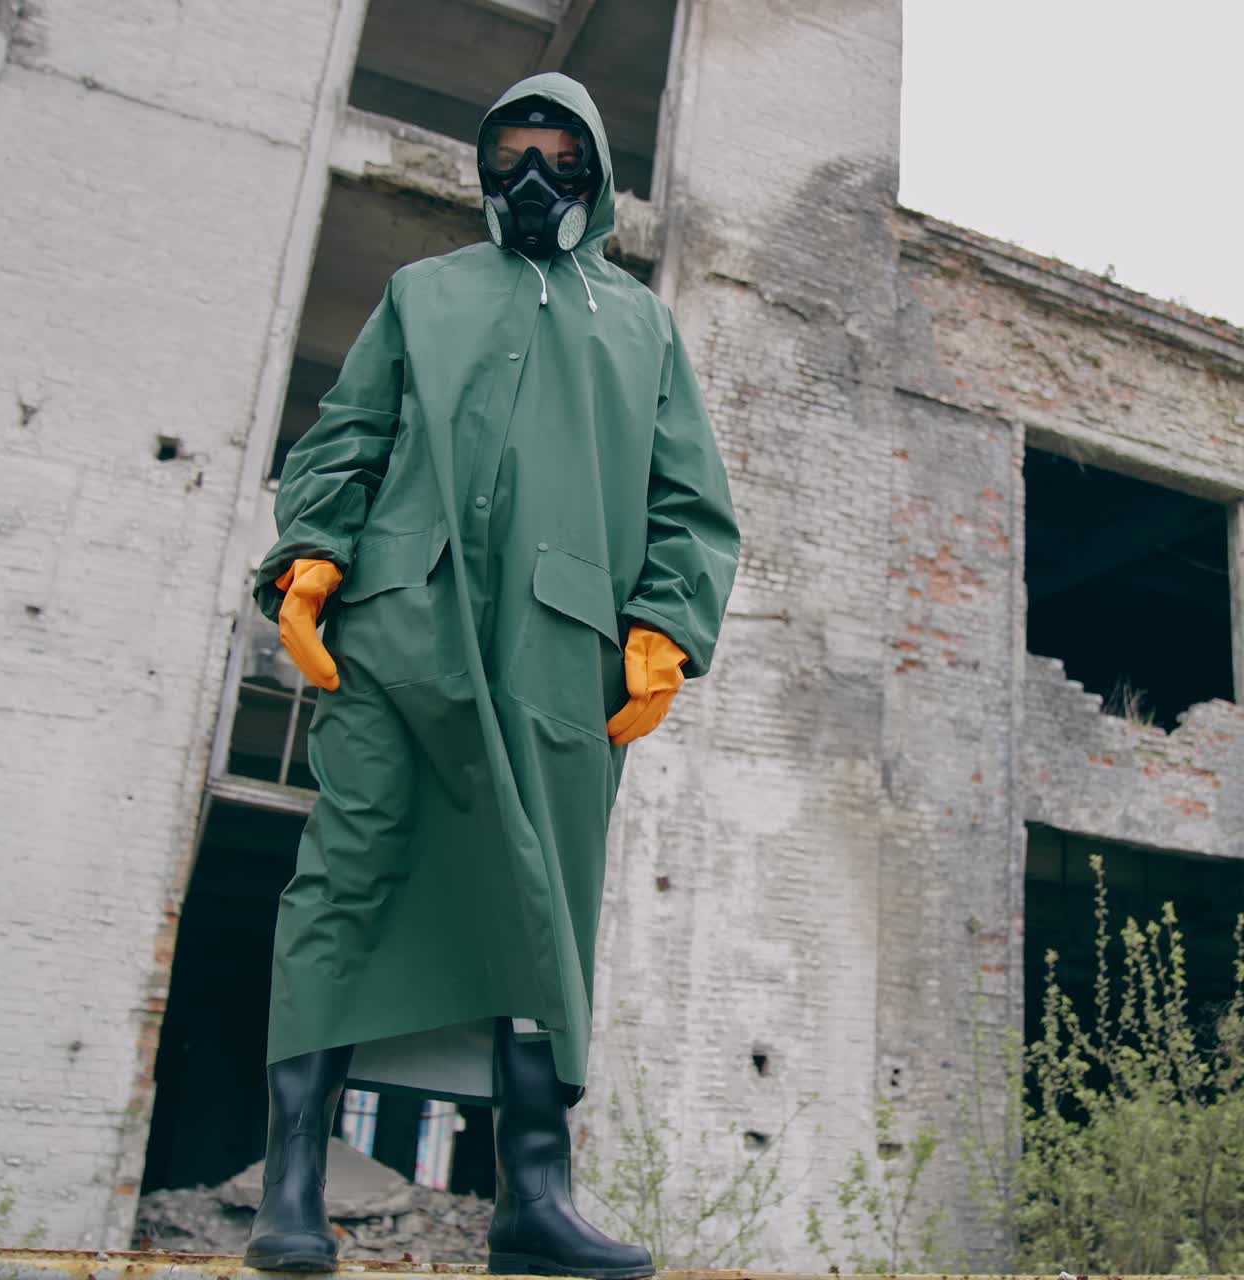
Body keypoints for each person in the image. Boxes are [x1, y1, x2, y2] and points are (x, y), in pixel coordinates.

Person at [243, 72, 739, 1278]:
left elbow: (689, 507)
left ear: (591, 176)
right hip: (398, 635)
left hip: (558, 660)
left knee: (546, 901)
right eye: (507, 150)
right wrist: (310, 556)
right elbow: (345, 441)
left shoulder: (641, 324)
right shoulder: (421, 292)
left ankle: (532, 1200)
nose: (528, 176)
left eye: (553, 154)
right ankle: (293, 1190)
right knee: (341, 880)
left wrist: (663, 626)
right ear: (483, 169)